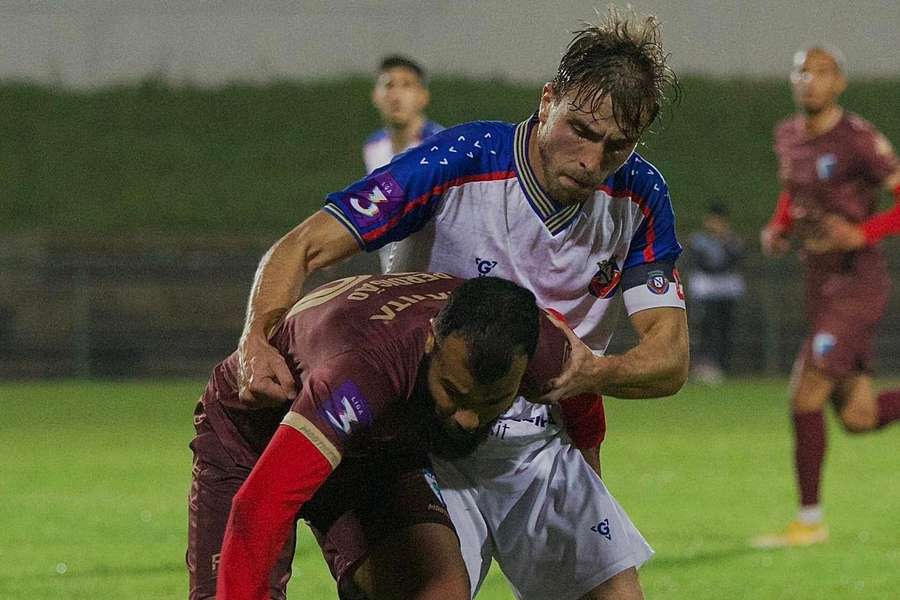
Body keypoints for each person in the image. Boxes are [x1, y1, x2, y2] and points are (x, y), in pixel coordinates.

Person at [238, 9, 687, 599]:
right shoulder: (460, 160)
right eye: (580, 129)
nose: (591, 160)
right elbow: (300, 246)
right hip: (423, 439)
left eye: (616, 146)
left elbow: (670, 358)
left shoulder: (640, 195)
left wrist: (594, 373)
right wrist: (255, 338)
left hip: (539, 448)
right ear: (548, 99)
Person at [189, 273, 650, 599]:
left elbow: (584, 400)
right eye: (453, 393)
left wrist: (592, 473)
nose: (468, 420)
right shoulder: (360, 374)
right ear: (432, 341)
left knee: (438, 592)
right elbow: (262, 504)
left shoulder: (546, 349)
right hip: (254, 439)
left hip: (374, 450)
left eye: (491, 404)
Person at [754, 45, 900, 549]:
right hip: (818, 283)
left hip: (857, 284)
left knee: (805, 394)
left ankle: (809, 521)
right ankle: (810, 519)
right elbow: (794, 195)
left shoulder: (858, 139)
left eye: (821, 73)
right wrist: (779, 226)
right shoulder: (788, 136)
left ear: (839, 82)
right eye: (802, 71)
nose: (809, 80)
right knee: (859, 417)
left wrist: (867, 232)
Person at [364, 55, 444, 271]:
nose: (396, 95)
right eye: (389, 85)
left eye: (407, 86)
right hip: (391, 274)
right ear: (375, 96)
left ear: (422, 97)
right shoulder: (373, 147)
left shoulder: (440, 148)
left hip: (433, 277)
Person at [686, 201, 745, 383]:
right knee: (705, 326)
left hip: (726, 287)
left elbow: (735, 259)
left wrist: (725, 241)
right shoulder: (699, 240)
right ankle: (704, 364)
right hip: (706, 287)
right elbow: (701, 262)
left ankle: (722, 364)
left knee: (725, 326)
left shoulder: (732, 240)